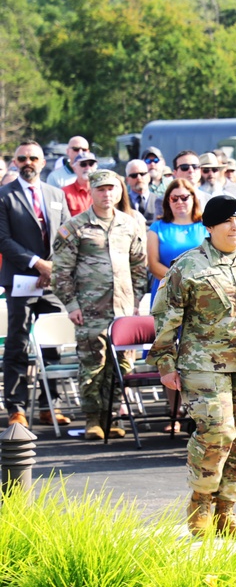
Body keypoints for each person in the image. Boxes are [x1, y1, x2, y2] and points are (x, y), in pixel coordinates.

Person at [149, 195, 236, 540]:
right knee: (217, 433)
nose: (235, 227)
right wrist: (165, 363)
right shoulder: (188, 266)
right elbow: (165, 318)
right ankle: (201, 503)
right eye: (227, 222)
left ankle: (226, 512)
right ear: (209, 227)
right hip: (204, 364)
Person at [51, 170, 147, 440]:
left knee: (121, 365)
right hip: (90, 309)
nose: (107, 194)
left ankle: (112, 417)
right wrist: (71, 304)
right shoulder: (74, 227)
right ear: (91, 192)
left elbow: (139, 265)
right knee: (93, 364)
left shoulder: (130, 225)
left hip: (124, 310)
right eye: (101, 189)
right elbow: (60, 271)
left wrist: (137, 302)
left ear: (119, 192)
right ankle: (93, 419)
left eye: (111, 189)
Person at [0, 141, 72, 428]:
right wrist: (36, 264)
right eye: (22, 158)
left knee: (53, 343)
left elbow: (66, 235)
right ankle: (15, 408)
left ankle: (48, 405)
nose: (28, 161)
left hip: (52, 281)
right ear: (15, 162)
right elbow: (3, 240)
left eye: (34, 157)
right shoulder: (4, 196)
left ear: (43, 162)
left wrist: (51, 267)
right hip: (20, 281)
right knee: (16, 344)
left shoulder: (56, 194)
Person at [147, 179, 205, 306]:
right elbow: (153, 264)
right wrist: (181, 282)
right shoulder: (157, 228)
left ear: (193, 198)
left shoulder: (206, 227)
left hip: (201, 293)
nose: (180, 202)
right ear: (168, 200)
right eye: (174, 198)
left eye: (184, 197)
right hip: (167, 294)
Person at [61, 150, 98, 217]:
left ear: (96, 167)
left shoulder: (102, 190)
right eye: (83, 164)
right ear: (74, 168)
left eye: (91, 164)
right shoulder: (64, 193)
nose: (87, 168)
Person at [125, 159, 156, 225]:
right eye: (134, 175)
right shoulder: (122, 202)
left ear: (149, 177)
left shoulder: (159, 201)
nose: (139, 178)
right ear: (127, 180)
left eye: (142, 174)